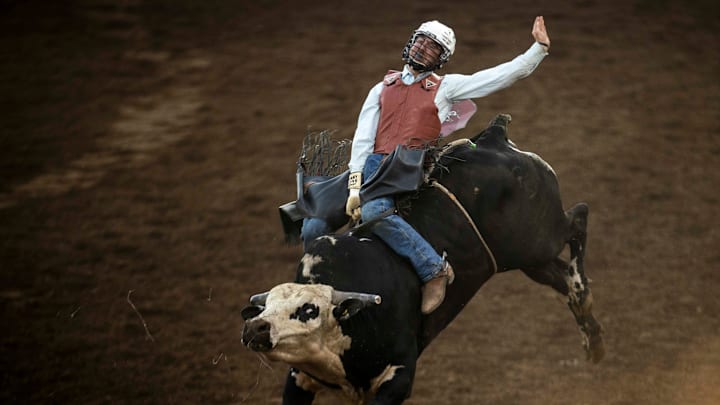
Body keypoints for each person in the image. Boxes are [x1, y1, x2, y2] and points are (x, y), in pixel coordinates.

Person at [303, 17, 551, 314]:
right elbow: (363, 139)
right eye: (420, 40)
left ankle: (433, 268)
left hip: (406, 167)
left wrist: (538, 49)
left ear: (441, 58)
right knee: (312, 220)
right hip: (371, 167)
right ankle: (322, 286)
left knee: (373, 212)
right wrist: (355, 183)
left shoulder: (446, 88)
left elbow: (501, 75)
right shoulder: (381, 88)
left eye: (432, 47)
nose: (422, 49)